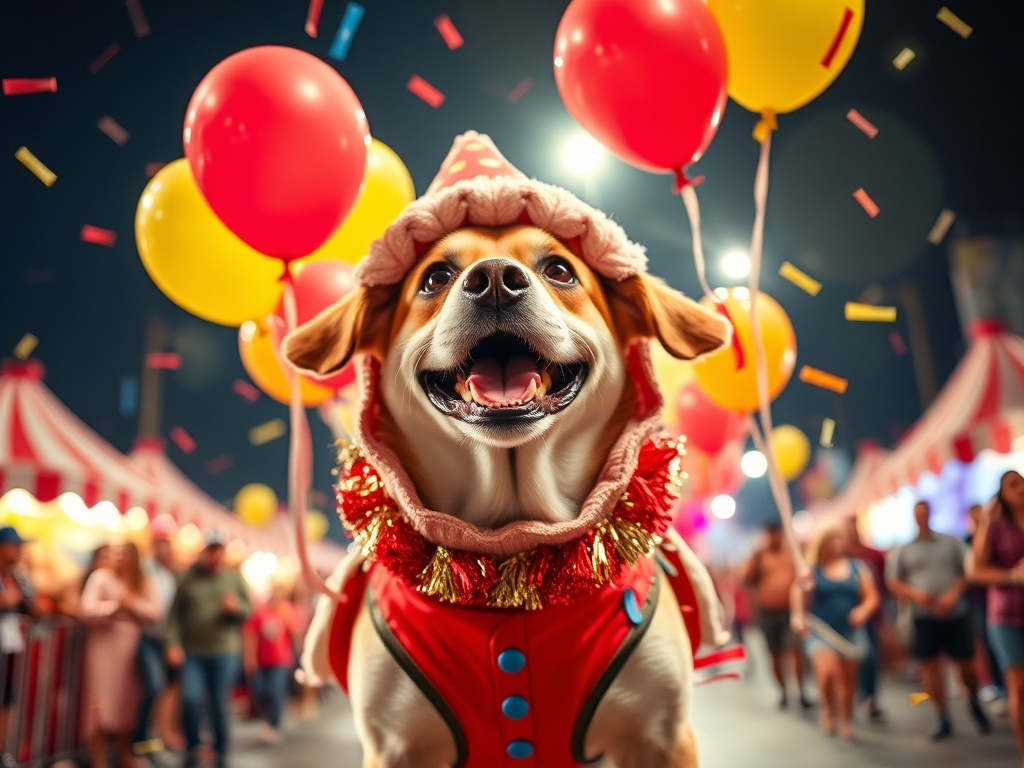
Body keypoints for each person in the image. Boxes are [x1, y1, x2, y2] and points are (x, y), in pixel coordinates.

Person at [887, 499, 991, 740]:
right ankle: (942, 716)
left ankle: (973, 700)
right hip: (923, 616)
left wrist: (952, 595)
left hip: (955, 613)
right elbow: (895, 582)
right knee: (930, 667)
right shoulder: (904, 549)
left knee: (966, 664)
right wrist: (915, 594)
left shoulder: (950, 542)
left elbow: (967, 571)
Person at [166, 532, 251, 768]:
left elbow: (248, 610)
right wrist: (172, 643)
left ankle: (221, 750)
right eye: (210, 549)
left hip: (224, 651)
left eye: (218, 549)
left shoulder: (232, 579)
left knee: (218, 703)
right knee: (191, 699)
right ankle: (193, 747)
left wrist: (235, 609)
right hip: (193, 651)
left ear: (223, 552)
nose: (214, 554)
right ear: (204, 551)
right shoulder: (189, 578)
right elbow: (174, 615)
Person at [792, 524, 879, 740]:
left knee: (848, 680)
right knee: (828, 674)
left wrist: (863, 610)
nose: (836, 544)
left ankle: (845, 720)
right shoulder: (812, 570)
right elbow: (797, 594)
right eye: (831, 539)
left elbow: (871, 596)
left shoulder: (858, 568)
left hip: (850, 631)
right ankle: (828, 710)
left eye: (839, 539)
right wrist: (798, 615)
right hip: (821, 631)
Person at [80, 542, 161, 768]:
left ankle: (123, 754)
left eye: (122, 554)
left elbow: (155, 611)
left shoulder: (143, 582)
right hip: (103, 648)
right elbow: (85, 608)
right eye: (114, 554)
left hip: (131, 649)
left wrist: (132, 604)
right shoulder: (100, 577)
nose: (117, 558)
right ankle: (99, 760)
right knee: (99, 702)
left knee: (128, 702)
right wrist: (114, 608)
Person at [968, 470, 1024, 765]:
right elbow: (975, 570)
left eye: (1022, 482)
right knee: (1018, 687)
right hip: (1006, 615)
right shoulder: (996, 526)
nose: (1020, 489)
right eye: (1012, 484)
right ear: (1001, 493)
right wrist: (1014, 575)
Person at [743, 524, 810, 709]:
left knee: (795, 649)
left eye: (777, 535)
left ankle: (801, 690)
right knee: (775, 653)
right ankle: (783, 691)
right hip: (767, 613)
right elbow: (745, 579)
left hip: (790, 612)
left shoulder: (791, 555)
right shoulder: (758, 556)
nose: (775, 539)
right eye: (771, 535)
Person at [132, 525, 181, 764]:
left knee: (166, 690)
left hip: (166, 640)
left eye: (168, 543)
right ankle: (140, 740)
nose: (166, 548)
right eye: (161, 542)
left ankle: (157, 739)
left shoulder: (170, 573)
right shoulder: (146, 570)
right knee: (154, 686)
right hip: (149, 637)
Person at [0, 525, 40, 768]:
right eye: (15, 546)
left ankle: (1, 751)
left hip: (9, 646)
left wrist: (26, 599)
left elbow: (36, 610)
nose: (20, 551)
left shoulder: (18, 577)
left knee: (6, 699)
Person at [842, 515, 888, 721]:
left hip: (869, 616)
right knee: (847, 661)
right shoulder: (838, 557)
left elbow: (882, 587)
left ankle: (870, 699)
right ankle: (848, 701)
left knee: (869, 658)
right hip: (842, 618)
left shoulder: (874, 555)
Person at [244, 583, 299, 743]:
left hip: (281, 661)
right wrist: (249, 657)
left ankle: (273, 725)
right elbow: (251, 634)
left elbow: (296, 634)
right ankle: (268, 720)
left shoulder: (287, 611)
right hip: (262, 661)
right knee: (261, 691)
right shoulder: (261, 612)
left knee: (276, 692)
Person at [966, 502, 1008, 703]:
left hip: (1006, 601)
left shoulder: (1006, 532)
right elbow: (973, 571)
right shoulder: (969, 540)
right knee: (988, 645)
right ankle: (997, 686)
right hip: (982, 602)